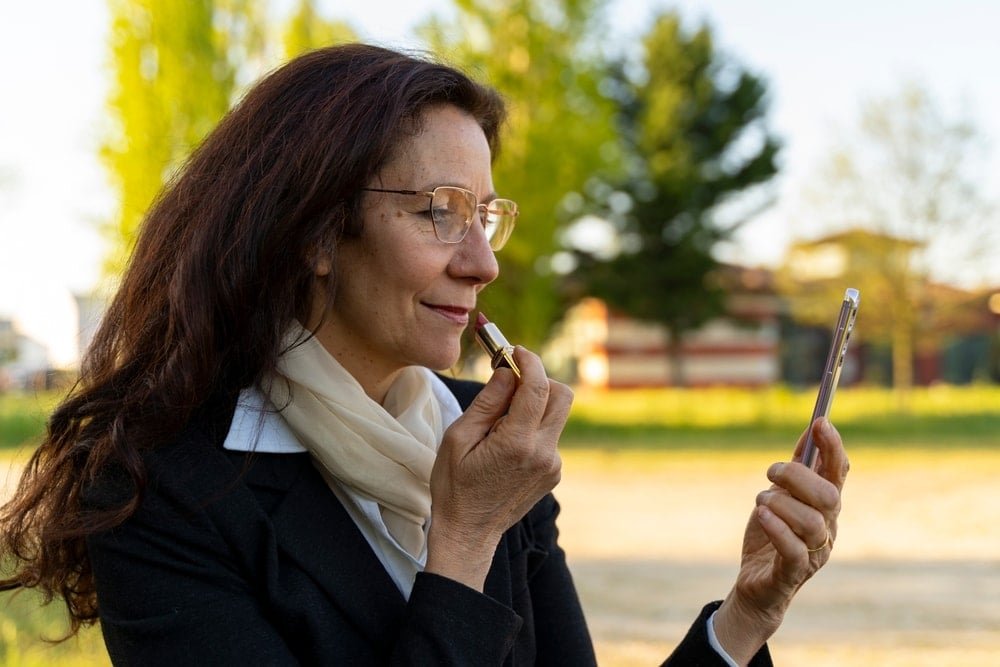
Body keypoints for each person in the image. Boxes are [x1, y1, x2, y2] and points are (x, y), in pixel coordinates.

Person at [0, 43, 847, 665]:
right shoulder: (162, 490)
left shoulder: (481, 441)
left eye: (487, 217)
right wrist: (465, 538)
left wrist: (746, 615)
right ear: (316, 231)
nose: (483, 263)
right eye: (441, 212)